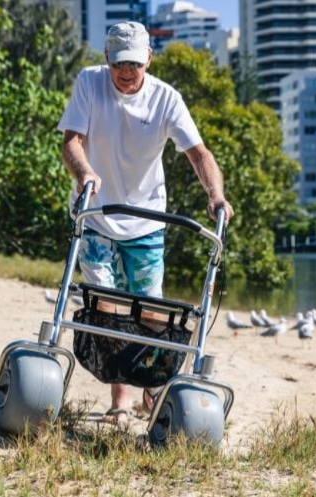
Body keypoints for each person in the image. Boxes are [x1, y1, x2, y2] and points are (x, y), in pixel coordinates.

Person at [57, 21, 234, 424]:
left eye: (135, 63)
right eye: (120, 62)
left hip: (147, 220)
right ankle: (120, 402)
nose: (127, 71)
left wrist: (215, 195)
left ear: (149, 59)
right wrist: (85, 173)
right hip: (97, 214)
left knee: (151, 312)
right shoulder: (89, 83)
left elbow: (199, 153)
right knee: (106, 307)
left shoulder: (166, 99)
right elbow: (71, 141)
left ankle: (152, 393)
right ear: (107, 59)